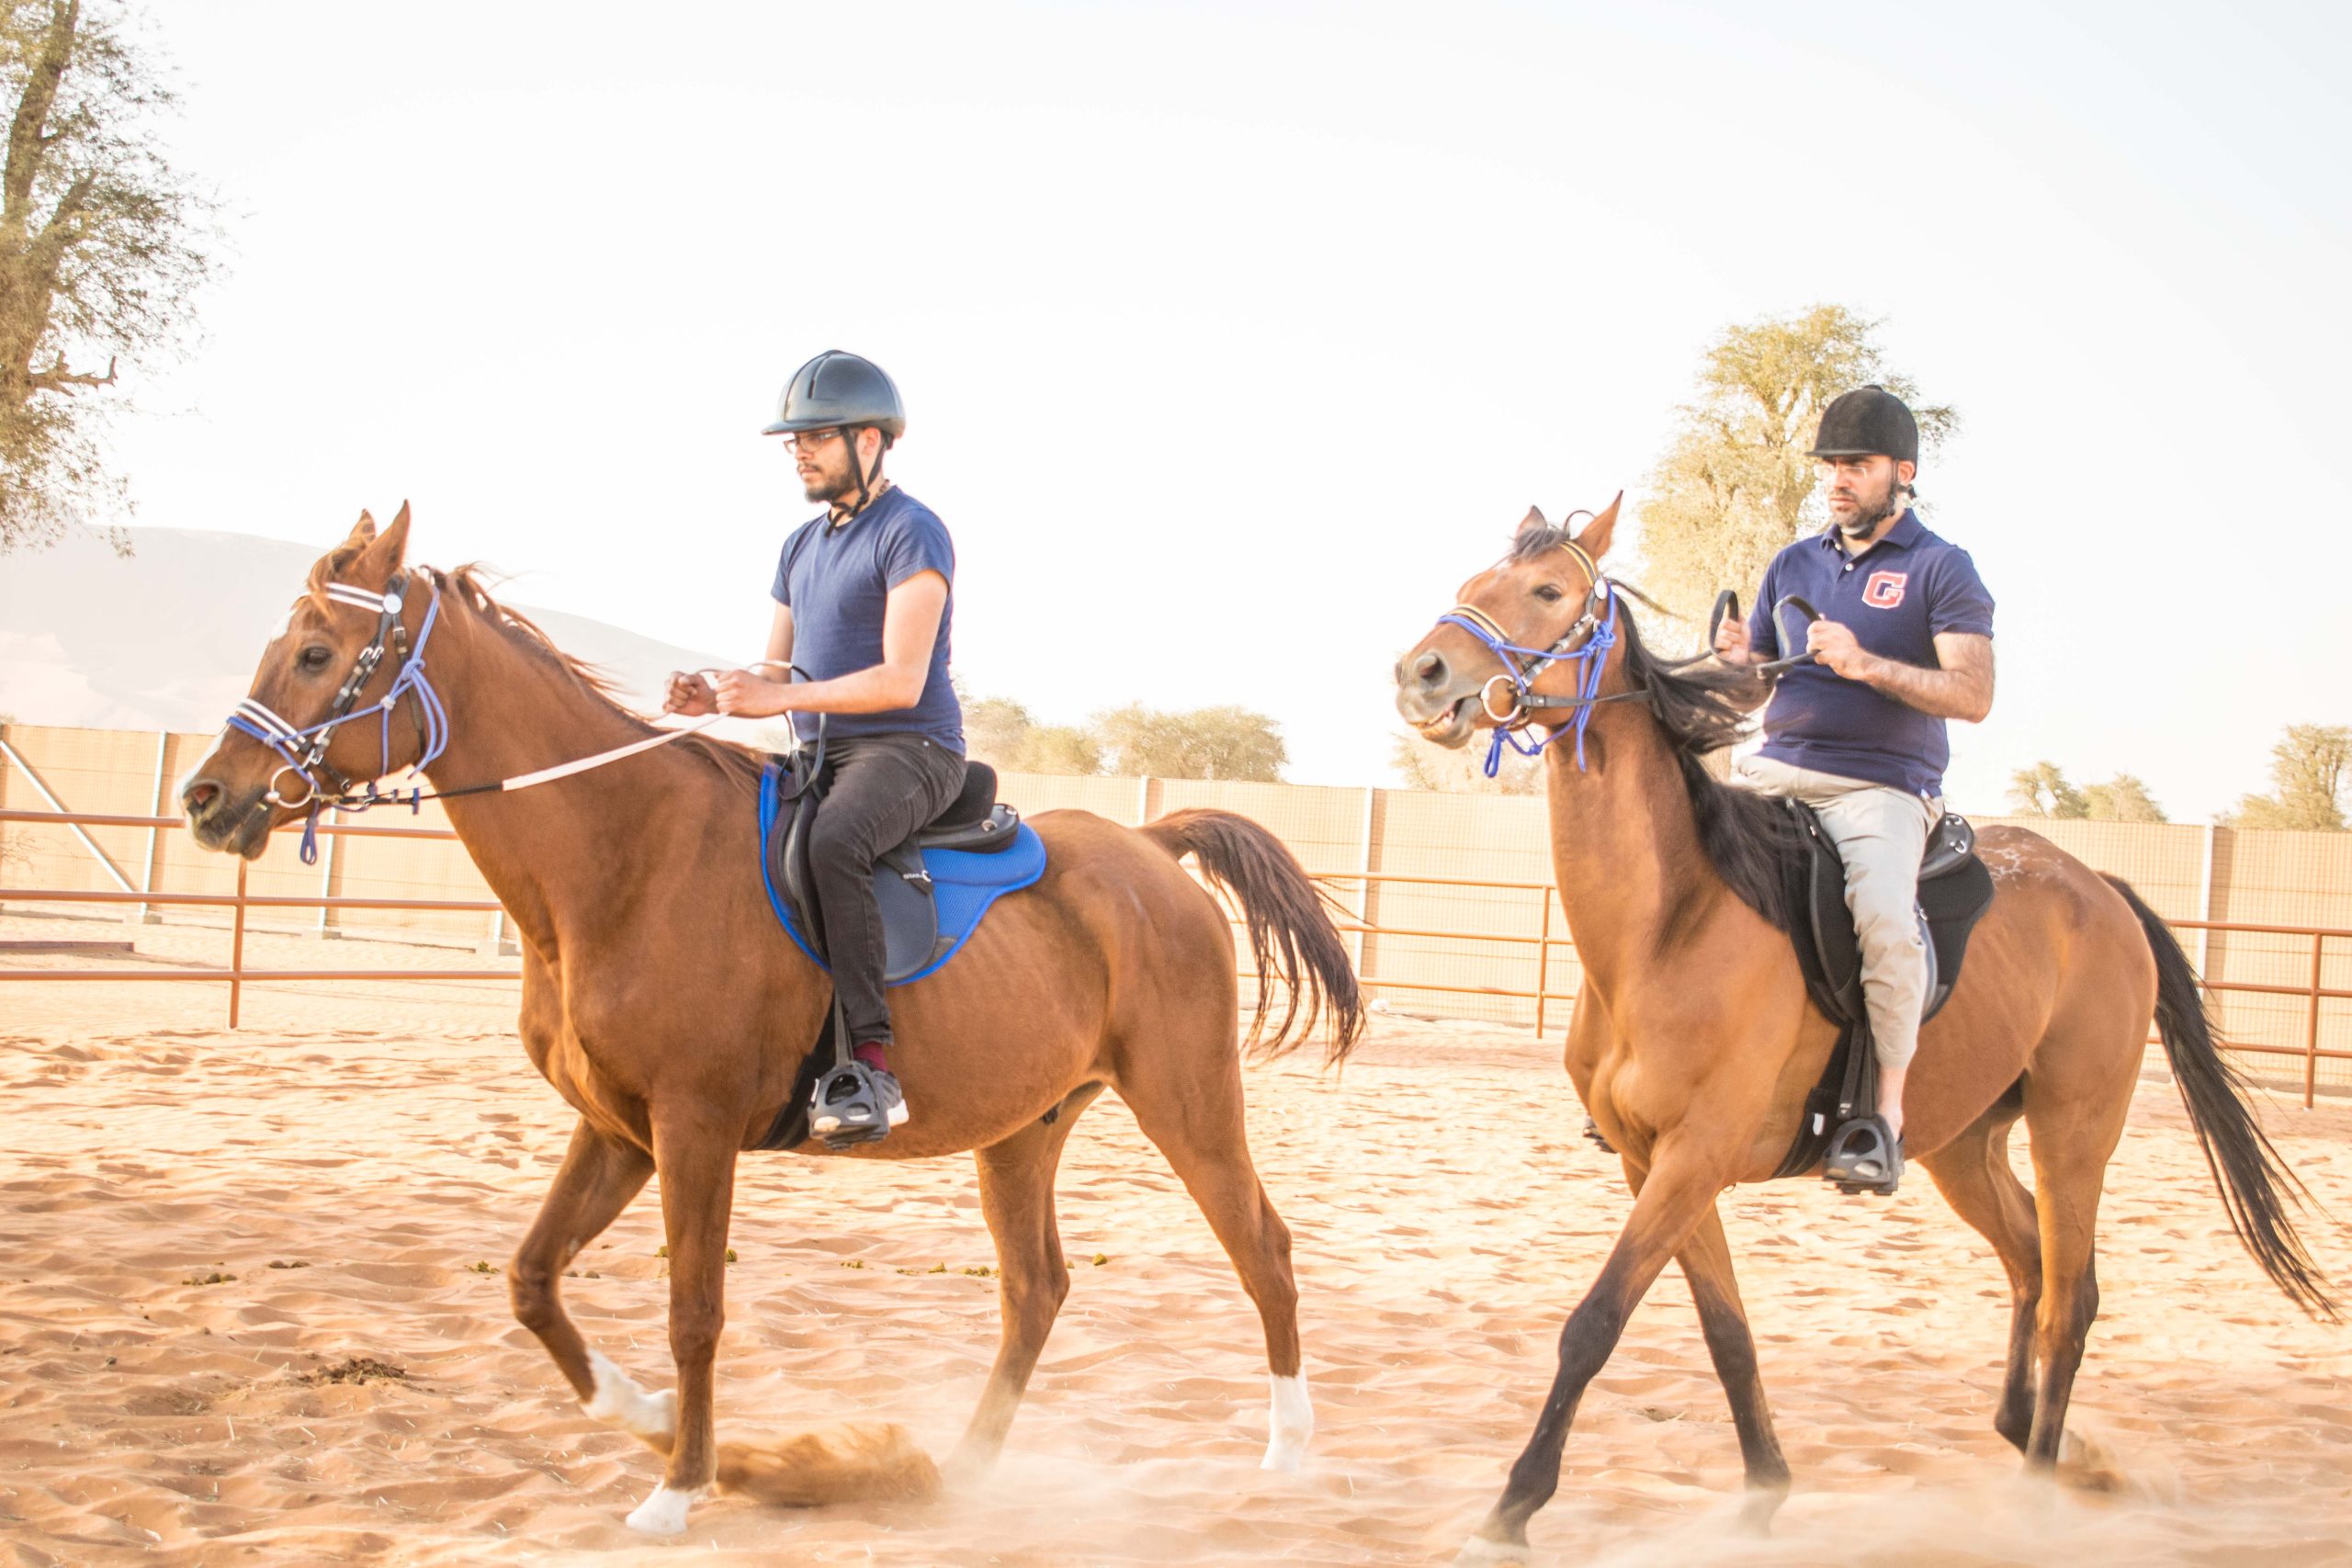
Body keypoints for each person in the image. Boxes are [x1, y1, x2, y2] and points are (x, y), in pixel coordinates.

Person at [665, 350, 966, 1146]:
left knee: (835, 840)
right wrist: (719, 694)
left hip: (909, 750)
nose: (799, 450)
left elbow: (902, 680)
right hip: (820, 752)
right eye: (794, 438)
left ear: (871, 441)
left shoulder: (913, 531)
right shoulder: (800, 545)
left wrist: (781, 698)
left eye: (818, 435)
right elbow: (775, 668)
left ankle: (871, 1063)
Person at [1713, 385, 1995, 1192]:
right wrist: (1736, 664)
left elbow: (1972, 695)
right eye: (1832, 465)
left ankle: (1883, 1117)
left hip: (1880, 788)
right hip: (1773, 766)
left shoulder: (1941, 567)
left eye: (1857, 465)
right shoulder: (1792, 563)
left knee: (1882, 917)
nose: (1839, 479)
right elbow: (1752, 691)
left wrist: (1865, 662)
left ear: (1901, 472)